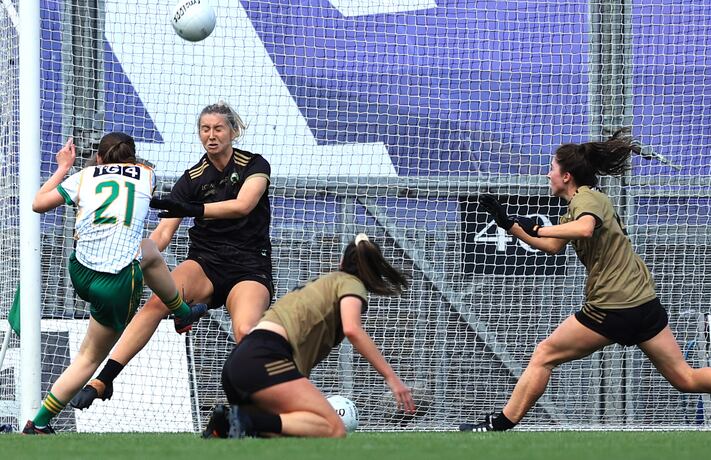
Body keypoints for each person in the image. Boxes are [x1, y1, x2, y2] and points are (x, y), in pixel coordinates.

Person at [459, 136, 711, 431]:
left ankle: (500, 424)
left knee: (544, 354)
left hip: (612, 307)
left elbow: (584, 229)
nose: (547, 174)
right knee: (685, 377)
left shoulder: (587, 200)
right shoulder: (578, 205)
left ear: (566, 176)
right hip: (644, 303)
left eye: (551, 167)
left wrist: (537, 227)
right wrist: (510, 225)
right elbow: (551, 245)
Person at [70, 101, 275, 410]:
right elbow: (163, 233)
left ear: (233, 131)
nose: (211, 135)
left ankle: (256, 406)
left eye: (218, 128)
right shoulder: (193, 177)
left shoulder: (255, 165)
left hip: (249, 266)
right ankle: (104, 379)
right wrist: (130, 259)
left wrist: (194, 209)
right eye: (205, 129)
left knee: (245, 330)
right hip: (205, 263)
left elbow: (243, 205)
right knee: (156, 301)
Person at [22, 133, 207, 434]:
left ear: (98, 158)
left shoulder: (83, 177)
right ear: (133, 157)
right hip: (116, 281)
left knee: (148, 251)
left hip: (81, 272)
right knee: (89, 356)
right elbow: (136, 189)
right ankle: (39, 423)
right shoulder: (147, 175)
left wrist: (63, 167)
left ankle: (182, 311)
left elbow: (38, 204)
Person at [202, 234, 416, 438]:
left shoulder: (321, 285)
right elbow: (353, 329)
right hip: (265, 359)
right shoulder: (351, 283)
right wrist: (392, 378)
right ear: (373, 270)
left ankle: (230, 426)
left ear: (341, 262)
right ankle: (239, 421)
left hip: (240, 363)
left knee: (292, 432)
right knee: (333, 428)